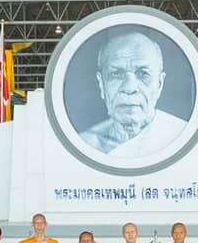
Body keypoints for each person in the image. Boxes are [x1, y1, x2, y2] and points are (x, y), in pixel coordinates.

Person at [80, 27, 188, 156]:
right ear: (101, 84)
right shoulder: (85, 143)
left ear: (159, 84)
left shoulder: (182, 135)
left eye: (143, 74)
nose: (129, 88)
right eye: (116, 74)